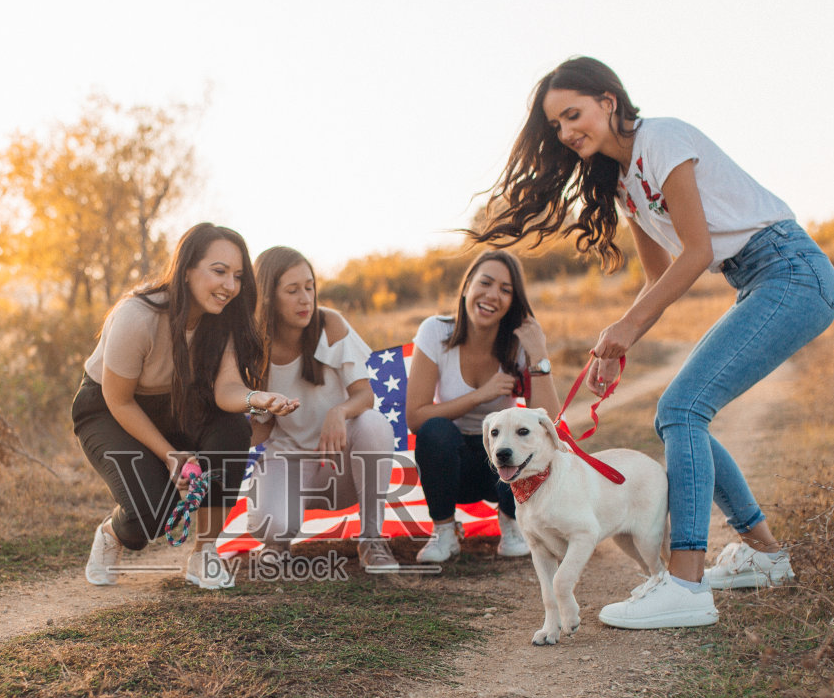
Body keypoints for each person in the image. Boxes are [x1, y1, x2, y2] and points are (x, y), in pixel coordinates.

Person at [472, 56, 834, 628]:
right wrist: (614, 344)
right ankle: (765, 556)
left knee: (681, 409)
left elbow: (695, 252)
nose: (568, 133)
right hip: (757, 279)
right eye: (558, 127)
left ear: (608, 101)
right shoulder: (623, 186)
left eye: (574, 114)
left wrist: (625, 330)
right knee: (681, 411)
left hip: (790, 271)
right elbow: (657, 273)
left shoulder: (662, 138)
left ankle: (686, 586)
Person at [72, 223, 299, 590]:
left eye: (238, 276)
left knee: (233, 428)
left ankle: (204, 552)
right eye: (219, 271)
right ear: (188, 268)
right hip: (108, 408)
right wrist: (170, 454)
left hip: (178, 404)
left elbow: (226, 388)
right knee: (153, 512)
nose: (230, 285)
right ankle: (112, 534)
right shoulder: (137, 315)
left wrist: (254, 398)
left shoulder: (221, 319)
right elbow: (119, 399)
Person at [240, 246, 400, 572]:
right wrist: (252, 415)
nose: (305, 298)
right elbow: (263, 430)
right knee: (271, 522)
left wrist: (338, 412)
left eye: (310, 287)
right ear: (269, 296)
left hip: (340, 462)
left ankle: (371, 539)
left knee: (373, 424)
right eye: (293, 290)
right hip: (291, 459)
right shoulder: (255, 347)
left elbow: (363, 396)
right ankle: (277, 544)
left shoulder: (330, 325)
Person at [404, 250, 560, 564]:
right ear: (466, 287)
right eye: (485, 283)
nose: (493, 295)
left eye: (505, 290)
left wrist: (539, 356)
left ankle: (512, 525)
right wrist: (482, 395)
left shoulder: (518, 343)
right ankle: (445, 532)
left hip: (504, 466)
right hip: (454, 464)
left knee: (528, 439)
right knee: (435, 430)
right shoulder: (435, 331)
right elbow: (415, 417)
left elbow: (548, 422)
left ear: (513, 302)